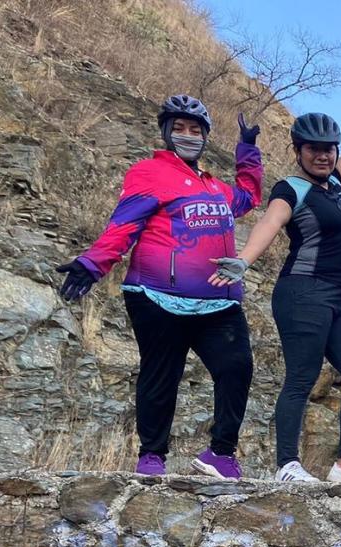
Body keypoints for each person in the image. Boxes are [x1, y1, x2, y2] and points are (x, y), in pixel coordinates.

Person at [55, 95, 263, 479]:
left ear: (205, 137)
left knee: (237, 368)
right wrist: (93, 263)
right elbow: (124, 224)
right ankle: (152, 456)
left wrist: (247, 151)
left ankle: (221, 454)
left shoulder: (215, 188)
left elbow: (248, 197)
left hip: (218, 300)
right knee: (161, 374)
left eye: (195, 130)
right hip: (156, 296)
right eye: (179, 129)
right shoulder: (149, 173)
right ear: (167, 134)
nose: (188, 135)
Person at [212, 96, 341, 486]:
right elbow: (271, 222)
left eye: (329, 149)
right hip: (301, 292)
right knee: (301, 377)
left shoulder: (337, 184)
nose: (324, 156)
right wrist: (244, 260)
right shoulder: (290, 189)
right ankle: (287, 465)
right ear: (298, 151)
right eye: (314, 149)